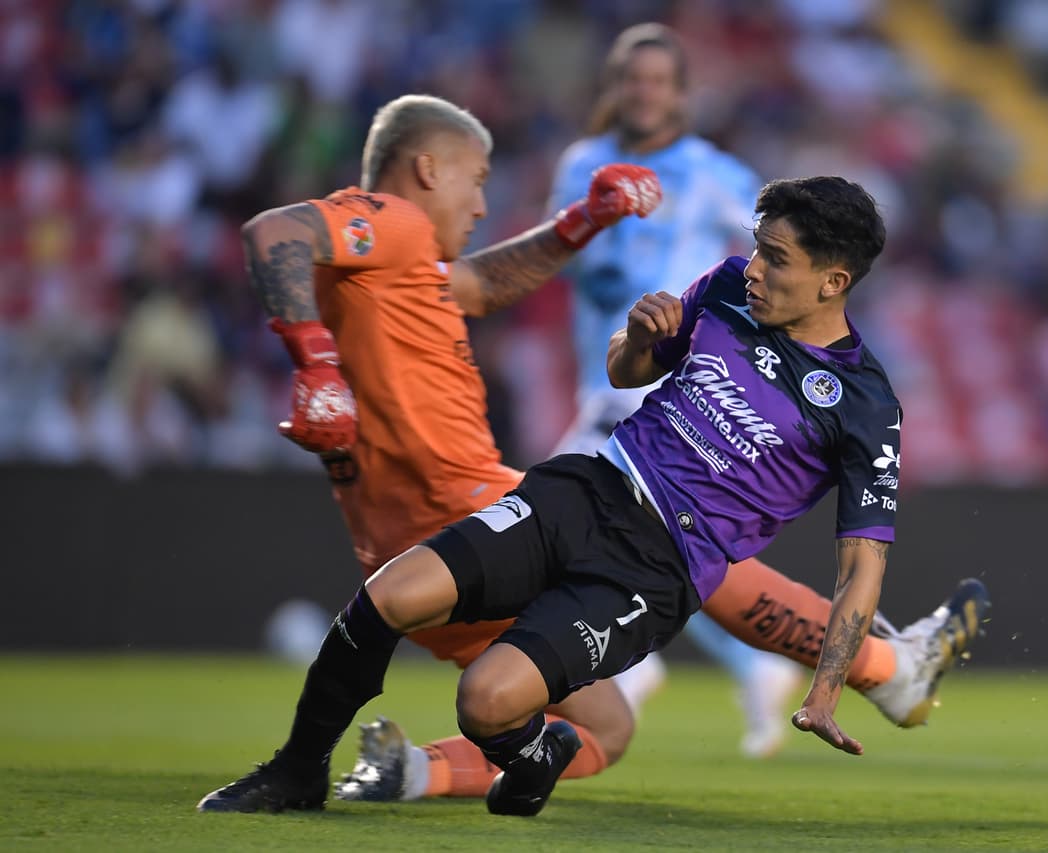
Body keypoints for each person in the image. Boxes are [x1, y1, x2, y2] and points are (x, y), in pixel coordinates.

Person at [198, 174, 972, 818]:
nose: (755, 267)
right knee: (391, 594)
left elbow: (862, 564)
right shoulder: (731, 288)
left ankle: (537, 752)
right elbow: (624, 372)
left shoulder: (866, 405)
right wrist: (639, 337)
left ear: (834, 281)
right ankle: (298, 770)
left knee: (486, 699)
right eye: (757, 247)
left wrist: (827, 689)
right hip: (589, 486)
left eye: (777, 258)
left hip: (655, 569)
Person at [545, 21, 798, 756]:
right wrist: (598, 220)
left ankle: (634, 667)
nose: (644, 92)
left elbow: (778, 249)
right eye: (633, 78)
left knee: (550, 514)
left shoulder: (711, 171)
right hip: (606, 369)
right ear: (615, 87)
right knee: (666, 545)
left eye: (659, 80)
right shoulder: (584, 163)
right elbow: (559, 251)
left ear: (680, 94)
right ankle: (748, 659)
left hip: (662, 385)